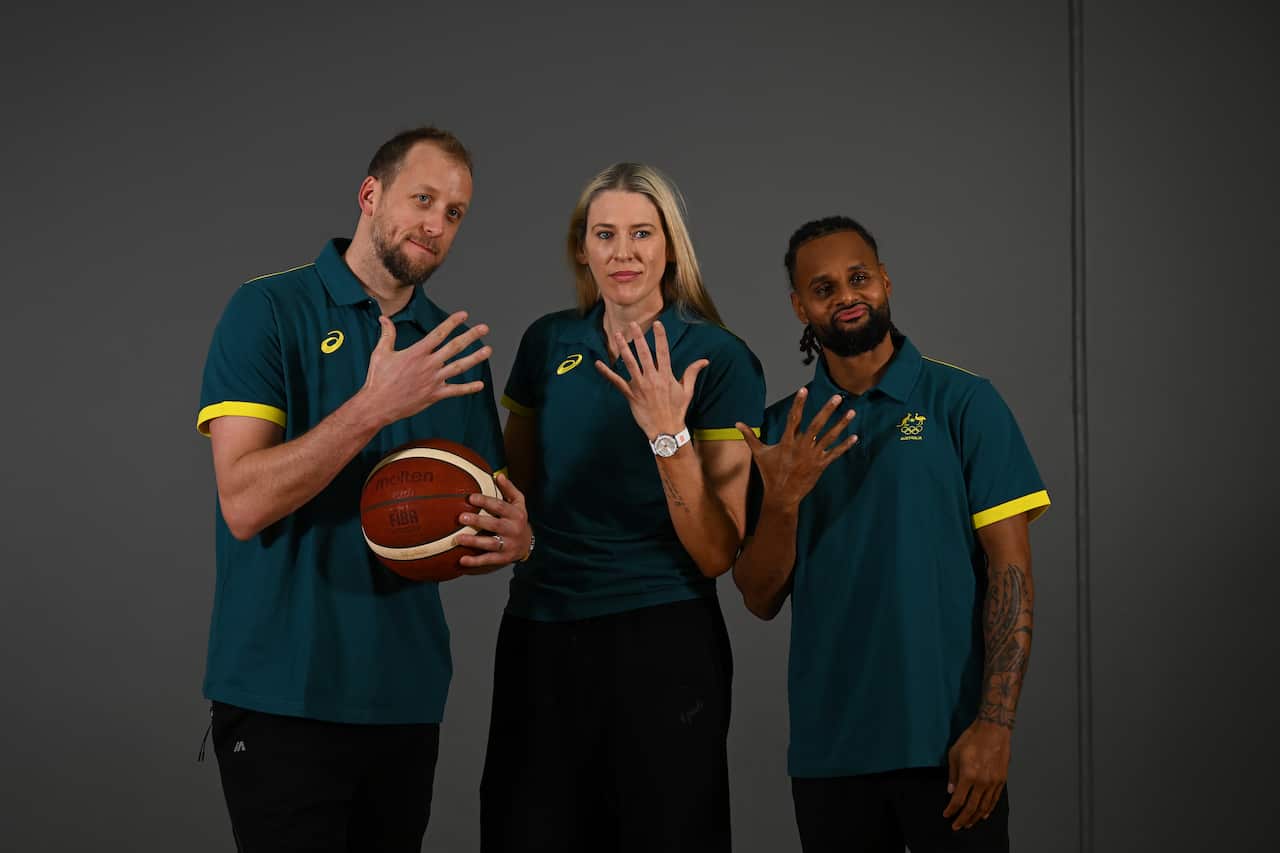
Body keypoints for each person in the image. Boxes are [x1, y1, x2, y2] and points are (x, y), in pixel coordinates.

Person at [194, 126, 532, 852]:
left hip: (403, 699)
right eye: (422, 199)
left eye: (455, 212)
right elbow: (243, 502)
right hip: (283, 693)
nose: (436, 224)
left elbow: (471, 516)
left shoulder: (449, 347)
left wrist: (513, 539)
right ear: (370, 195)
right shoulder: (267, 309)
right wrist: (373, 407)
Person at [732, 216, 1050, 853]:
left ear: (885, 281)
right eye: (823, 288)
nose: (846, 296)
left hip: (950, 745)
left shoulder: (964, 401)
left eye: (859, 278)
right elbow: (760, 598)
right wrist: (784, 501)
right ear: (799, 307)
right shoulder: (778, 430)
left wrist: (995, 726)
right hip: (830, 753)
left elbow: (1011, 572)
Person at [479, 162, 765, 852]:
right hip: (541, 631)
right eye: (604, 234)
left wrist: (668, 434)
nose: (623, 252)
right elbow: (511, 493)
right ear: (582, 248)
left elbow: (716, 553)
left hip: (662, 635)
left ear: (671, 246)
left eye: (642, 232)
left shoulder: (718, 357)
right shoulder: (547, 342)